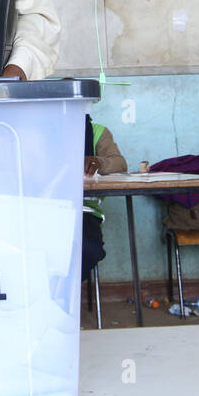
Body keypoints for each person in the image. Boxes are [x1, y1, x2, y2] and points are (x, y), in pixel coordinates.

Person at [83, 116, 127, 281]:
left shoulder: (97, 132)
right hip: (42, 207)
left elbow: (120, 164)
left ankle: (62, 298)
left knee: (87, 249)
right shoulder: (39, 128)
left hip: (84, 211)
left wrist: (98, 162)